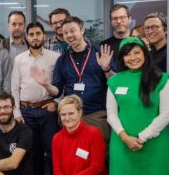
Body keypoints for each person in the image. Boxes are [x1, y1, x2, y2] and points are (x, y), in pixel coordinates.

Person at [106, 37, 169, 175]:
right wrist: (125, 137)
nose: (132, 57)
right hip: (122, 145)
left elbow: (166, 114)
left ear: (145, 53)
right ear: (122, 58)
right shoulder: (115, 81)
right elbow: (111, 114)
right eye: (127, 54)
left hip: (153, 147)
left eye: (137, 52)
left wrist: (141, 137)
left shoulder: (160, 78)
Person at [33, 16, 114, 145]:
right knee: (74, 155)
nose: (69, 35)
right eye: (65, 33)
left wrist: (106, 68)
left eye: (72, 31)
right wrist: (46, 85)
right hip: (70, 116)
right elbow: (57, 91)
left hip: (96, 115)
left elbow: (114, 82)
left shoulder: (99, 53)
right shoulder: (62, 60)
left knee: (99, 155)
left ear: (82, 30)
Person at [11, 21, 60, 175]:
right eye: (31, 34)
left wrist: (55, 103)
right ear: (26, 37)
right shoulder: (19, 59)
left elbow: (60, 85)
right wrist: (16, 112)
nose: (35, 37)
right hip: (26, 111)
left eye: (38, 33)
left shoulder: (55, 58)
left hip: (47, 110)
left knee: (52, 151)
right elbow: (14, 87)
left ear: (44, 36)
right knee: (31, 152)